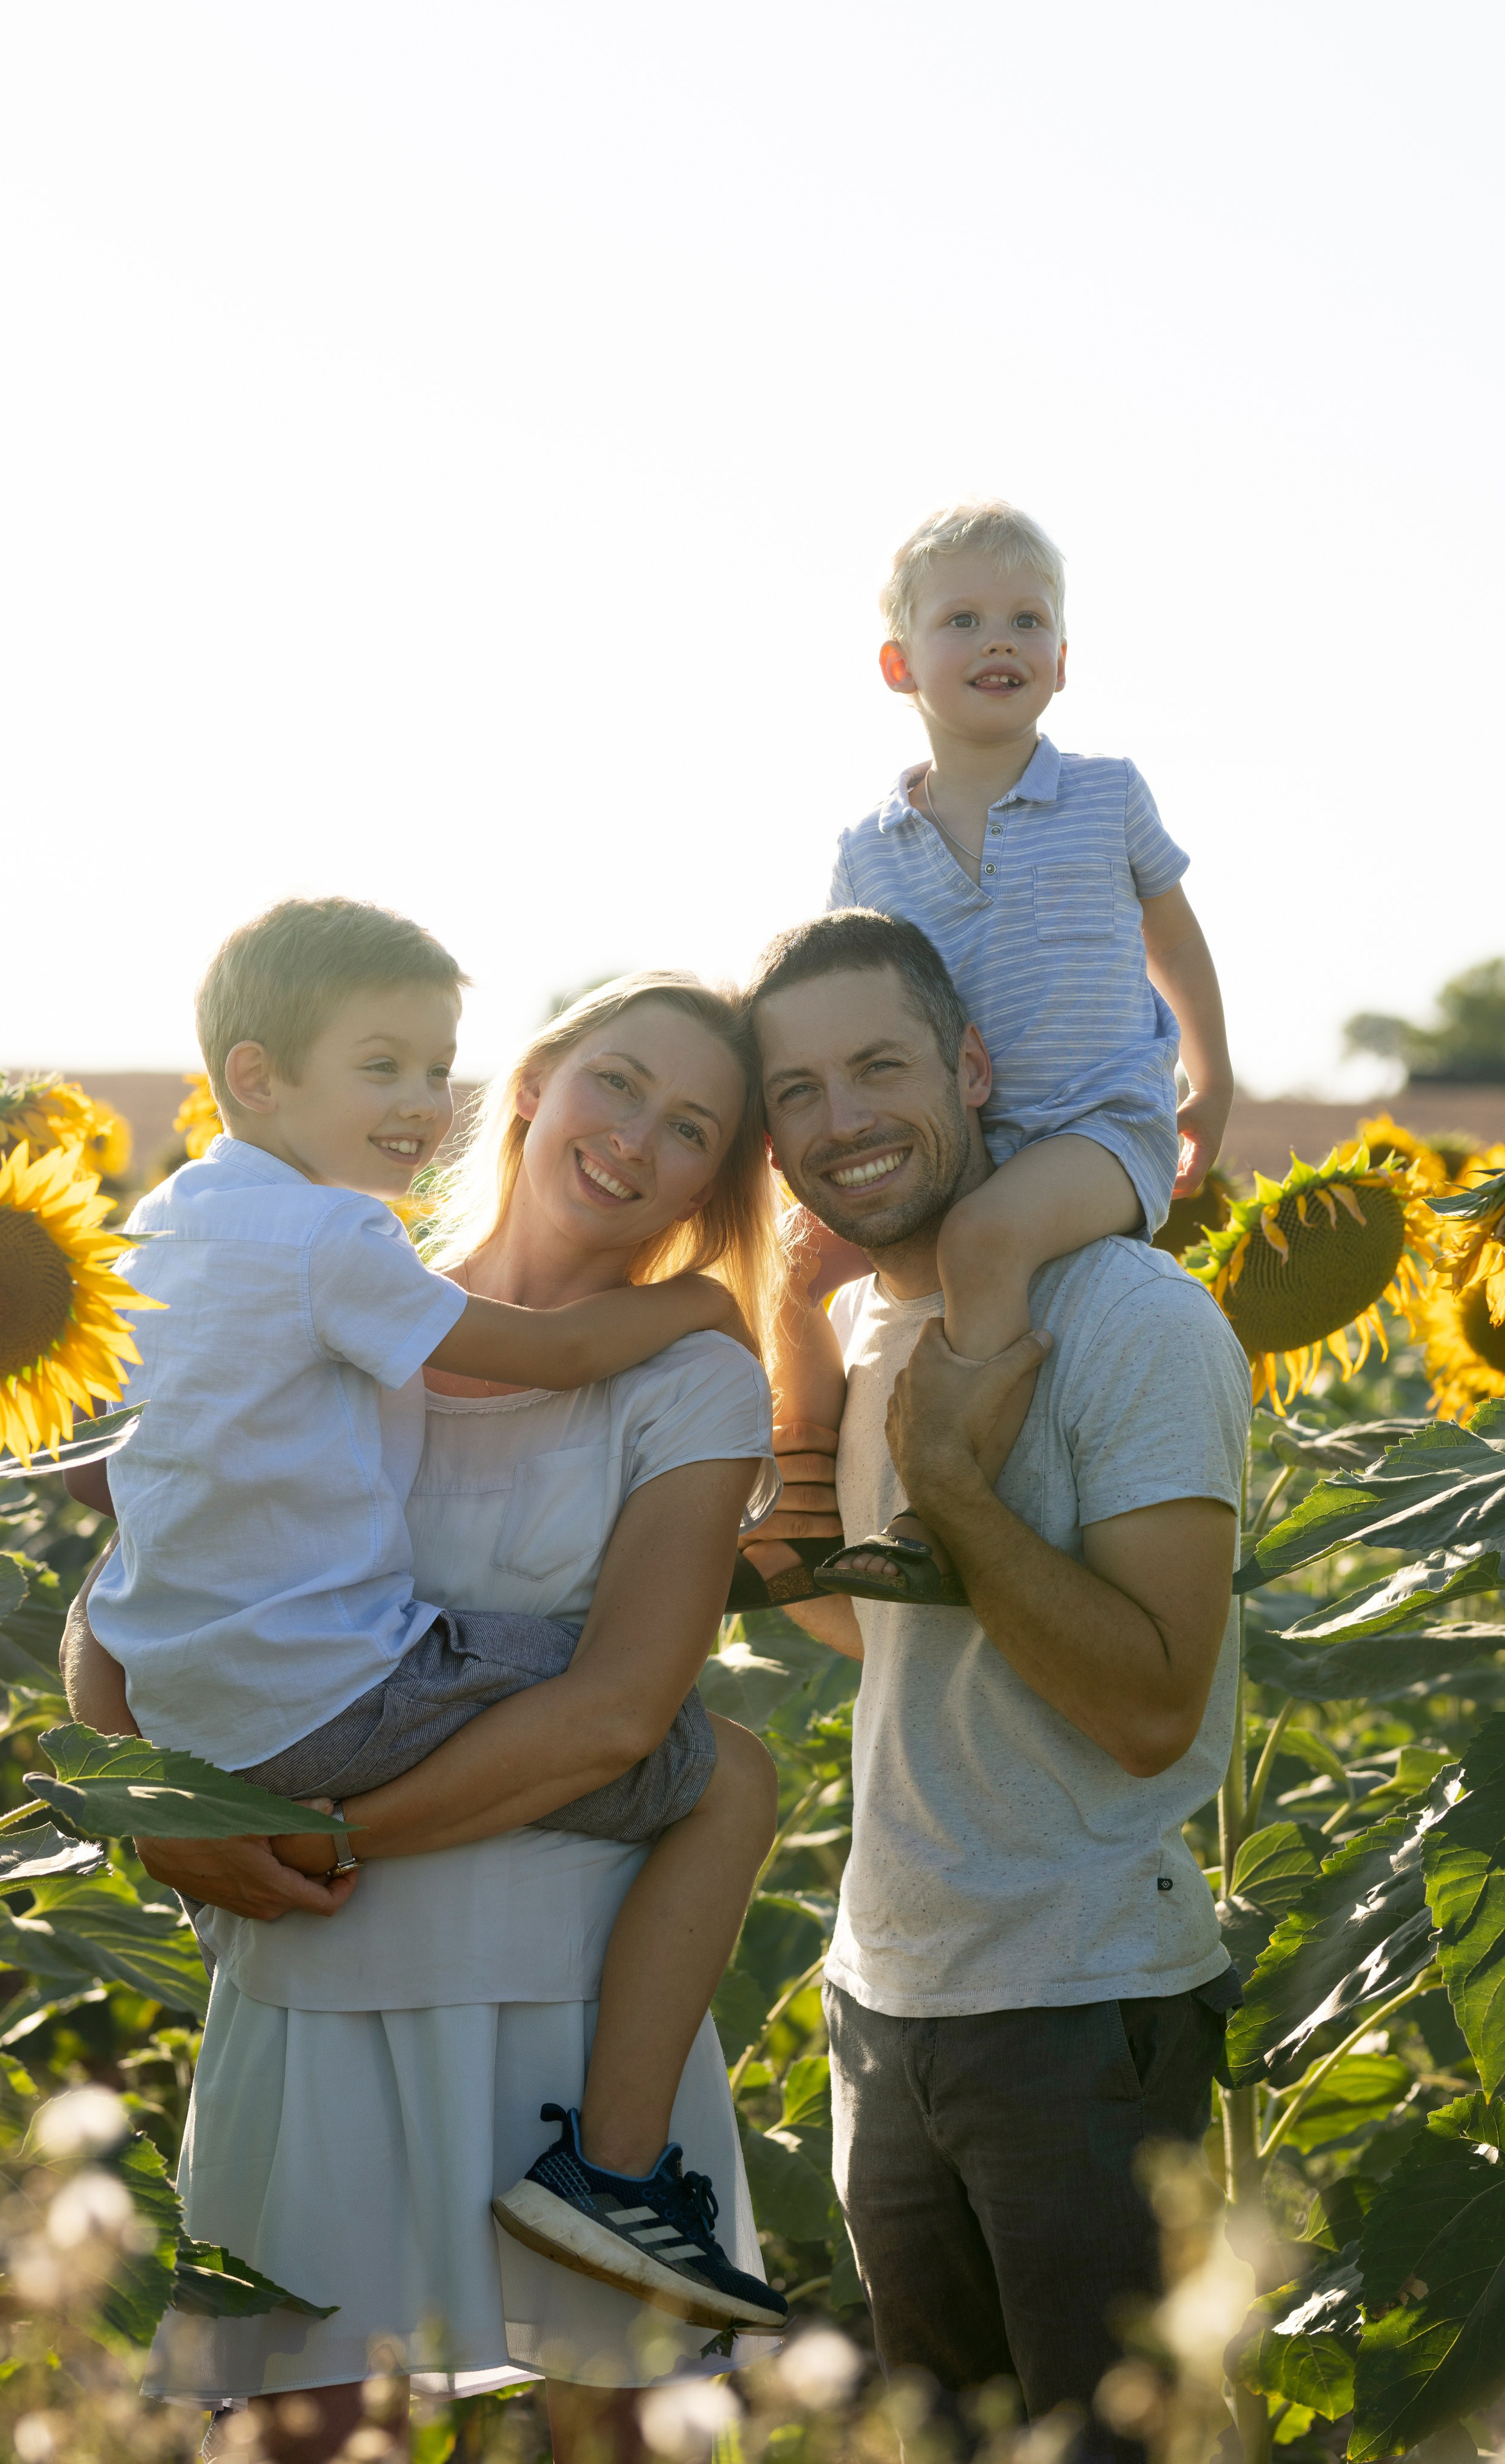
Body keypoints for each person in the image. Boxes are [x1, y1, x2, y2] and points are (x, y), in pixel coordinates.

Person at [64, 970, 791, 2464]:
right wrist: (160, 1817)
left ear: (713, 1178)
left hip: (569, 2019)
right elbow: (130, 1600)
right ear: (530, 1082)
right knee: (301, 2434)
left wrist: (311, 1835)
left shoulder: (688, 1376)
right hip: (310, 2001)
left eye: (691, 1127)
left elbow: (615, 1717)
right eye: (617, 1082)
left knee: (621, 2430)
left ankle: (615, 2173)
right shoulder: (338, 1297)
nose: (635, 1138)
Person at [743, 908, 1249, 2451]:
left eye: (879, 1064)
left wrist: (950, 1490)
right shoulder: (857, 1329)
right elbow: (902, 1645)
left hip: (1076, 1999)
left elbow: (1153, 1699)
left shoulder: (1128, 1319)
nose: (843, 1119)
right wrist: (795, 1536)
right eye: (798, 1090)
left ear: (968, 1065)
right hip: (884, 1990)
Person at [748, 499, 1234, 1611]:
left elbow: (1176, 937)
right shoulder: (867, 848)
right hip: (959, 1135)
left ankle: (946, 1503)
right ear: (897, 663)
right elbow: (832, 986)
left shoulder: (1107, 794)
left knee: (985, 1239)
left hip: (1097, 1128)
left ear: (1063, 660)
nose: (1000, 640)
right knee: (790, 1266)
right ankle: (806, 1507)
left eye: (1028, 619)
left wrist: (1214, 1077)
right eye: (963, 619)